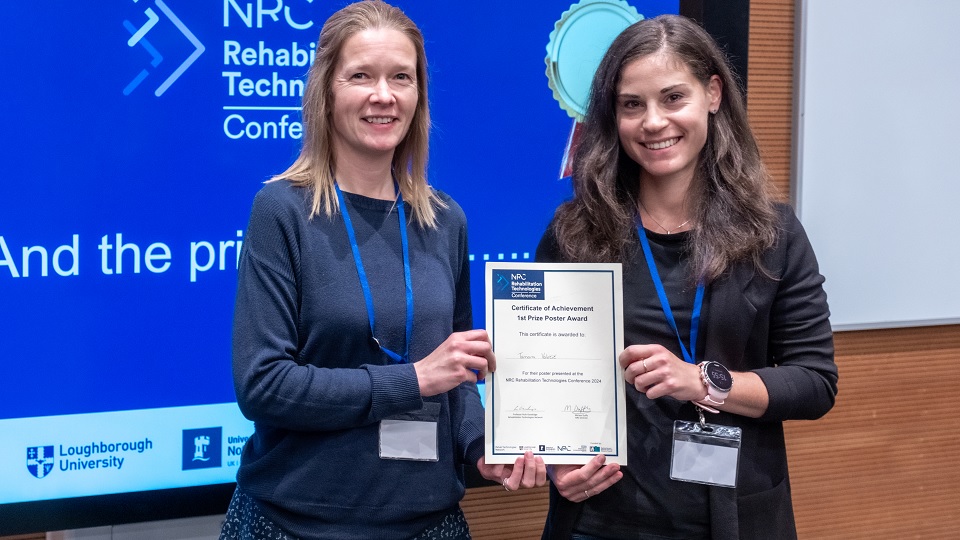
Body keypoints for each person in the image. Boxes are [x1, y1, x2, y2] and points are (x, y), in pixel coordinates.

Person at [221, 2, 545, 539]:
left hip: (428, 523)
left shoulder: (445, 219)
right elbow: (262, 385)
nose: (384, 95)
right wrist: (413, 379)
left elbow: (458, 373)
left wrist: (481, 444)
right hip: (295, 524)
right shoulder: (282, 210)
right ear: (327, 90)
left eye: (402, 77)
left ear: (419, 95)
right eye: (361, 77)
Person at [536, 14, 838, 540]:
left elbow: (815, 383)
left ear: (713, 94)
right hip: (600, 521)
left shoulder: (774, 233)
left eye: (673, 97)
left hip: (735, 518)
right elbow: (540, 376)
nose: (654, 122)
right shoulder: (574, 234)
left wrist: (702, 382)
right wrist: (554, 459)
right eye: (633, 105)